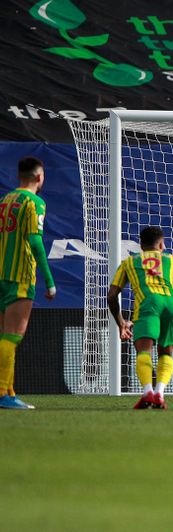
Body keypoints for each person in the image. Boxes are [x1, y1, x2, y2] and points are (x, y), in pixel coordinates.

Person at [107, 226, 173, 409]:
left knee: (144, 351)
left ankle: (147, 392)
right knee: (166, 352)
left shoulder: (129, 262)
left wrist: (121, 322)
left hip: (148, 302)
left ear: (141, 246)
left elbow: (112, 295)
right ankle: (159, 393)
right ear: (161, 244)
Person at [0, 157, 55, 409]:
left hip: (1, 273)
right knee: (12, 337)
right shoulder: (35, 203)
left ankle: (9, 390)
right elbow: (35, 243)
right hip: (20, 276)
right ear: (39, 177)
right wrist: (50, 281)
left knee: (4, 335)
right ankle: (2, 393)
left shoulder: (5, 200)